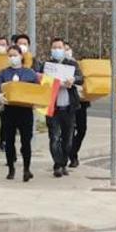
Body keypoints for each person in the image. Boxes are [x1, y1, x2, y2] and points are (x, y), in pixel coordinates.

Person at [36, 37, 84, 177]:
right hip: (53, 107)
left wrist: (73, 80)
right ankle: (58, 164)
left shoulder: (72, 65)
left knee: (68, 139)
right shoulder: (47, 65)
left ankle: (63, 162)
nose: (57, 50)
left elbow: (82, 79)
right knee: (54, 138)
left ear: (64, 49)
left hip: (69, 108)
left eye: (59, 47)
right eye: (54, 47)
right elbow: (38, 79)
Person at [0, 44, 40, 181]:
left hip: (25, 111)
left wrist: (36, 100)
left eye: (15, 55)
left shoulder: (29, 73)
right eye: (10, 55)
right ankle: (11, 168)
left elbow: (37, 89)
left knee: (26, 141)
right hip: (9, 110)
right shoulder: (4, 73)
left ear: (21, 56)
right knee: (9, 140)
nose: (13, 58)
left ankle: (26, 169)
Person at [66, 41, 89, 169]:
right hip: (67, 103)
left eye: (68, 49)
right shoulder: (58, 65)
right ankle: (72, 157)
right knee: (69, 131)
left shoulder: (77, 65)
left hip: (81, 103)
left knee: (82, 129)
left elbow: (83, 79)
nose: (67, 51)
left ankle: (72, 152)